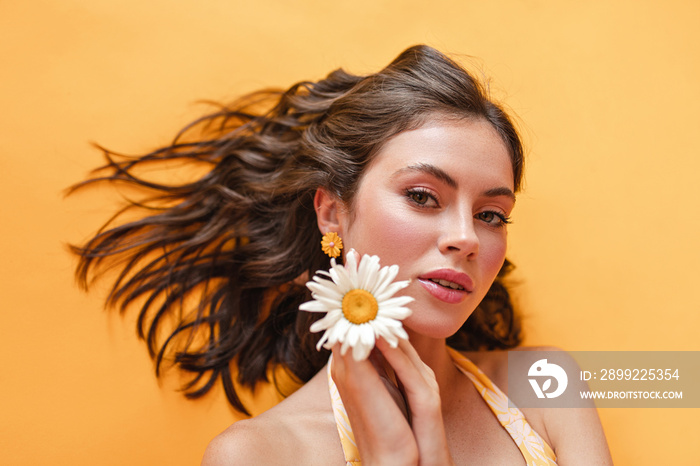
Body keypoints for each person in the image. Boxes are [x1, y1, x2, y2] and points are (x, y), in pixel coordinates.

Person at [73, 45, 612, 464]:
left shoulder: (545, 386)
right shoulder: (260, 456)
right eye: (423, 197)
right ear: (332, 213)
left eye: (490, 215)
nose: (466, 237)